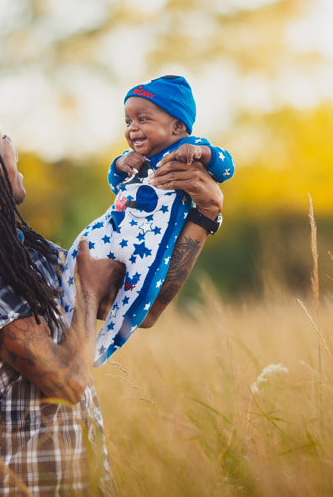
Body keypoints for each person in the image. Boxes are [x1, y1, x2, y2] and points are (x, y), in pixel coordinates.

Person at [0, 96, 223, 497]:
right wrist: (86, 291)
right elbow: (65, 382)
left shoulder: (24, 253)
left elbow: (144, 311)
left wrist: (203, 215)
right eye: (3, 137)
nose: (14, 146)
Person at [60, 75, 233, 366]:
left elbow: (226, 165)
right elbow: (116, 185)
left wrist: (203, 153)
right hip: (114, 228)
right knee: (81, 249)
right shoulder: (134, 158)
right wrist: (118, 164)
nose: (133, 128)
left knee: (140, 291)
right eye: (128, 121)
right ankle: (66, 325)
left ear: (177, 126)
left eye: (143, 119)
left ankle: (102, 347)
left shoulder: (189, 147)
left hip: (151, 242)